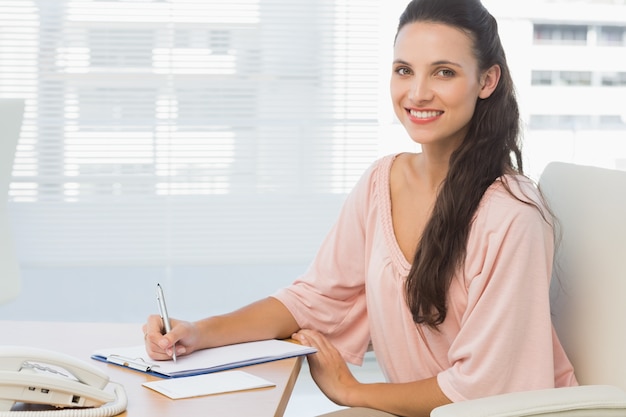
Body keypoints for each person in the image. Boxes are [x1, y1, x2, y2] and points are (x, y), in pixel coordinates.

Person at [143, 0, 578, 415]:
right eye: (404, 71)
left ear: (487, 81)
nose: (418, 93)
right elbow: (313, 300)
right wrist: (198, 334)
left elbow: (484, 388)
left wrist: (353, 391)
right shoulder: (380, 183)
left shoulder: (511, 214)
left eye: (443, 72)